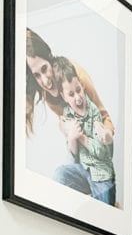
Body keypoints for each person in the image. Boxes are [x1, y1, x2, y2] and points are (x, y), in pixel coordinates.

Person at [25, 29, 114, 141]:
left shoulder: (79, 77)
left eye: (44, 68)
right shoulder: (47, 95)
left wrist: (107, 134)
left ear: (49, 58)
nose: (45, 81)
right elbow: (65, 119)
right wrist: (64, 128)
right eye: (37, 75)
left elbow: (105, 116)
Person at [53, 56, 116, 205]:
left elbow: (101, 153)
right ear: (64, 97)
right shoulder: (67, 114)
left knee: (105, 205)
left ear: (82, 85)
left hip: (100, 172)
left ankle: (100, 196)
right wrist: (72, 138)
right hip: (83, 169)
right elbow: (74, 155)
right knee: (59, 175)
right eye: (71, 94)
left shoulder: (93, 111)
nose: (78, 98)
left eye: (78, 90)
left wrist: (82, 138)